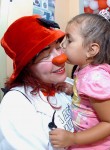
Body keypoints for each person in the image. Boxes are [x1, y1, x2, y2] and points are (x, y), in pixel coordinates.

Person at [49, 9, 110, 150]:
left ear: (91, 50)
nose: (63, 45)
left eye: (69, 40)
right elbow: (87, 97)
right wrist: (72, 90)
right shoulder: (81, 69)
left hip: (96, 146)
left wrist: (74, 138)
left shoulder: (96, 79)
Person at [0, 15, 74, 150]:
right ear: (27, 67)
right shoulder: (16, 105)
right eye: (45, 55)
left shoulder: (64, 84)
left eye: (58, 47)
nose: (60, 59)